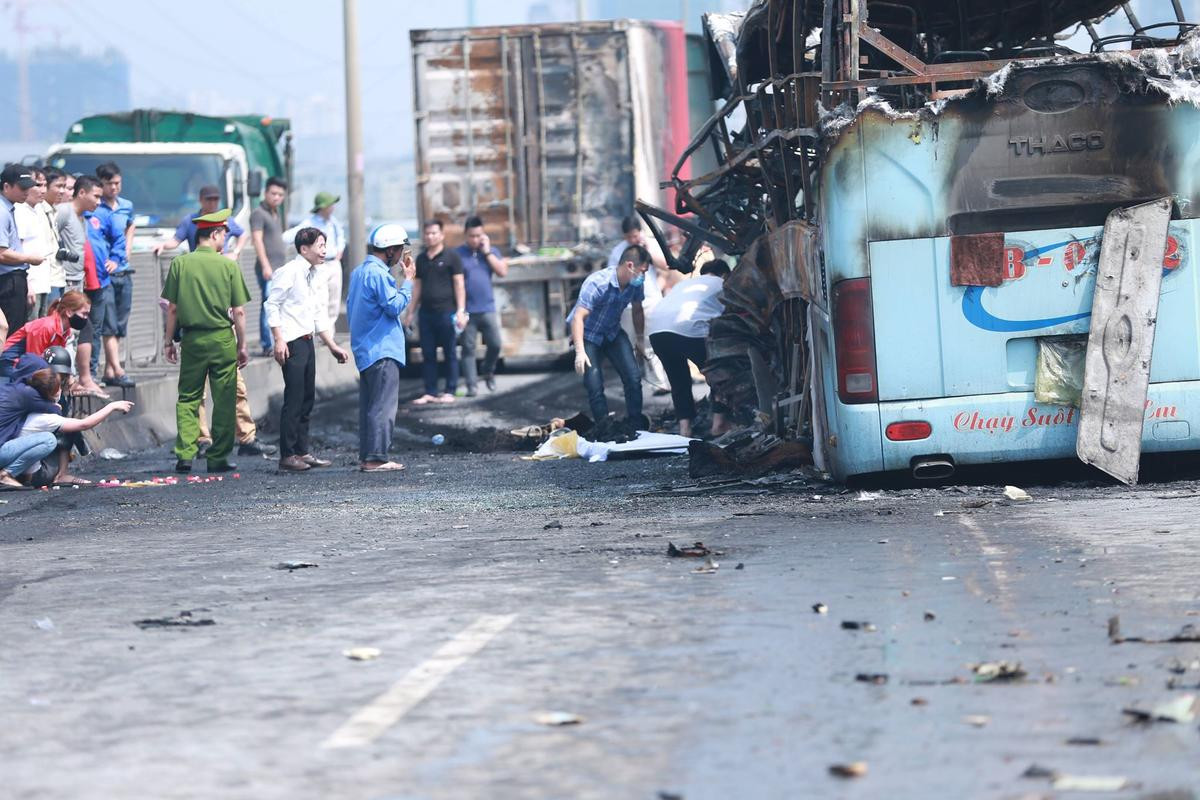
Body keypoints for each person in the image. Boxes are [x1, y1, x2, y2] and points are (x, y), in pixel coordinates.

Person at [161, 208, 250, 474]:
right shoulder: (228, 265)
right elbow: (239, 311)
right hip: (222, 339)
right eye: (224, 234)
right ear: (214, 234)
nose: (226, 240)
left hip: (192, 341)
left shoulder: (180, 263)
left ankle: (185, 455)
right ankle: (218, 458)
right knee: (223, 399)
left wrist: (168, 342)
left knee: (188, 397)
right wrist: (242, 345)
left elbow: (173, 308)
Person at [265, 227, 350, 472]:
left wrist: (332, 345)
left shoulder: (314, 274)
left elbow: (315, 314)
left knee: (307, 398)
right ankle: (287, 455)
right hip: (291, 342)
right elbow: (272, 305)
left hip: (306, 340)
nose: (325, 250)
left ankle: (302, 451)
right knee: (293, 399)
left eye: (325, 245)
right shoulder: (289, 272)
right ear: (304, 249)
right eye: (320, 245)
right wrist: (278, 340)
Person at [346, 223, 415, 472]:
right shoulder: (378, 274)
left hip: (366, 348)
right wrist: (408, 282)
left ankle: (369, 456)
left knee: (370, 405)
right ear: (390, 250)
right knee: (383, 406)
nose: (399, 256)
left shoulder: (359, 272)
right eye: (399, 250)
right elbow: (394, 306)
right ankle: (376, 457)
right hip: (382, 348)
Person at [18, 346, 133, 486]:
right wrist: (111, 406)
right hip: (33, 471)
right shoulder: (46, 404)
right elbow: (83, 424)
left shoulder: (31, 391)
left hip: (19, 462)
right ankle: (61, 474)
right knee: (69, 428)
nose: (61, 381)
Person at [647, 259, 732, 437]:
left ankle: (685, 429)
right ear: (724, 274)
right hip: (688, 330)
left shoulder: (685, 284)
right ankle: (719, 424)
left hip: (657, 331)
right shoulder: (723, 283)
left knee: (679, 382)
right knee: (720, 375)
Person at [567, 244, 649, 423]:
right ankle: (604, 427)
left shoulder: (635, 285)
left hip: (612, 332)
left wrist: (640, 340)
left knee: (633, 377)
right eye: (642, 271)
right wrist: (580, 352)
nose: (644, 276)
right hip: (588, 335)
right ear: (629, 266)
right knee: (594, 385)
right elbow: (578, 317)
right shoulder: (597, 283)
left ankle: (636, 422)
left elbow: (637, 310)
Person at [54, 176, 107, 398]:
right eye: (96, 196)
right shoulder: (65, 211)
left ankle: (73, 379)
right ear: (82, 193)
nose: (98, 202)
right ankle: (67, 380)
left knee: (76, 332)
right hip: (65, 280)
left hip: (77, 281)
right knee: (66, 330)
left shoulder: (81, 218)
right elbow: (50, 236)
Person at [406, 220, 465, 404]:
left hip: (447, 312)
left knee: (450, 352)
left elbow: (459, 284)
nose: (430, 236)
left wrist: (461, 310)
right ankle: (430, 391)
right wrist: (410, 312)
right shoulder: (421, 259)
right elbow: (417, 287)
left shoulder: (451, 257)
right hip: (426, 313)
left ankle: (450, 390)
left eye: (434, 233)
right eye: (427, 233)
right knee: (428, 353)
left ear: (441, 235)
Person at [93, 162, 135, 388]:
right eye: (109, 184)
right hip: (105, 273)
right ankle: (117, 368)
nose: (114, 188)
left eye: (117, 183)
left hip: (123, 269)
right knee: (108, 322)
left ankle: (110, 368)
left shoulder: (126, 206)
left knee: (120, 321)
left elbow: (130, 226)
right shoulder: (96, 210)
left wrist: (126, 251)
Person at [455, 215, 507, 396]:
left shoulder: (491, 252)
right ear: (465, 235)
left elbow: (502, 271)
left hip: (487, 308)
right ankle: (472, 386)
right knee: (468, 348)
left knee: (495, 344)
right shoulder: (458, 254)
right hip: (467, 310)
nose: (475, 239)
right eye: (472, 236)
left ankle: (487, 369)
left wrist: (487, 252)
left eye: (479, 235)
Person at [0, 354, 61, 489]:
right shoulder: (28, 394)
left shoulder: (9, 387)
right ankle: (6, 474)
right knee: (49, 440)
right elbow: (57, 413)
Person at [285, 191, 345, 326]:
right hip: (319, 264)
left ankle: (329, 333)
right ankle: (322, 331)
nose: (333, 207)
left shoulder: (333, 222)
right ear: (323, 207)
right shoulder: (310, 223)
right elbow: (288, 237)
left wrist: (339, 253)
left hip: (334, 262)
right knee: (321, 299)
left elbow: (341, 237)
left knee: (334, 300)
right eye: (330, 205)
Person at [1, 290, 90, 378]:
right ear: (69, 312)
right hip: (9, 363)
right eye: (84, 314)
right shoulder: (46, 327)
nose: (86, 318)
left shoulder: (66, 331)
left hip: (27, 364)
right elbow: (33, 361)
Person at [0, 164, 41, 333]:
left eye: (28, 188)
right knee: (12, 333)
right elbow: (1, 254)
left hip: (13, 279)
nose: (26, 192)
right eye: (22, 188)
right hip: (9, 280)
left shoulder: (9, 208)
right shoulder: (2, 211)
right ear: (6, 186)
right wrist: (30, 258)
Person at [250, 177, 288, 356]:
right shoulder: (259, 213)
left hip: (279, 268)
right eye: (273, 193)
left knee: (277, 306)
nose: (277, 197)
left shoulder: (276, 213)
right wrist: (265, 265)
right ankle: (267, 344)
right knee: (269, 305)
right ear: (265, 193)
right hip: (268, 269)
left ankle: (275, 342)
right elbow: (257, 239)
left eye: (280, 194)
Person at [154, 185, 246, 258]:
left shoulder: (227, 220)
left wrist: (235, 252)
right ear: (200, 200)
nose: (212, 203)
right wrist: (163, 245)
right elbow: (175, 240)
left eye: (215, 199)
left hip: (221, 264)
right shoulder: (190, 220)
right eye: (209, 199)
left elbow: (243, 234)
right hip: (197, 264)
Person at [15, 169, 57, 319]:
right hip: (31, 284)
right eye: (38, 185)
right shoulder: (20, 211)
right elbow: (17, 251)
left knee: (42, 337)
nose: (43, 190)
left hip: (44, 282)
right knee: (29, 335)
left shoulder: (40, 209)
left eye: (45, 185)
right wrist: (28, 285)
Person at [37, 168, 68, 314]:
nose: (62, 191)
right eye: (59, 186)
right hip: (47, 281)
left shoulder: (53, 210)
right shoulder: (37, 210)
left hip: (58, 277)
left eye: (64, 186)